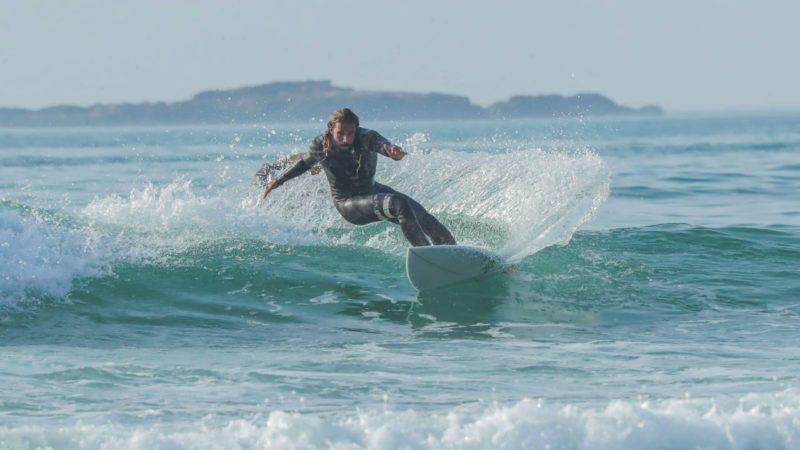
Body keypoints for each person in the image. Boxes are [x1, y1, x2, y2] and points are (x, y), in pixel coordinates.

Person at [261, 108, 456, 247]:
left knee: (423, 217)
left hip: (373, 191)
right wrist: (277, 182)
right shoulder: (320, 145)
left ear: (357, 128)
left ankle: (453, 252)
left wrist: (392, 152)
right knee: (398, 204)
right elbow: (304, 164)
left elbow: (383, 146)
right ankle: (426, 256)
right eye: (340, 134)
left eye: (350, 133)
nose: (346, 139)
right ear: (330, 128)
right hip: (348, 203)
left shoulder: (367, 137)